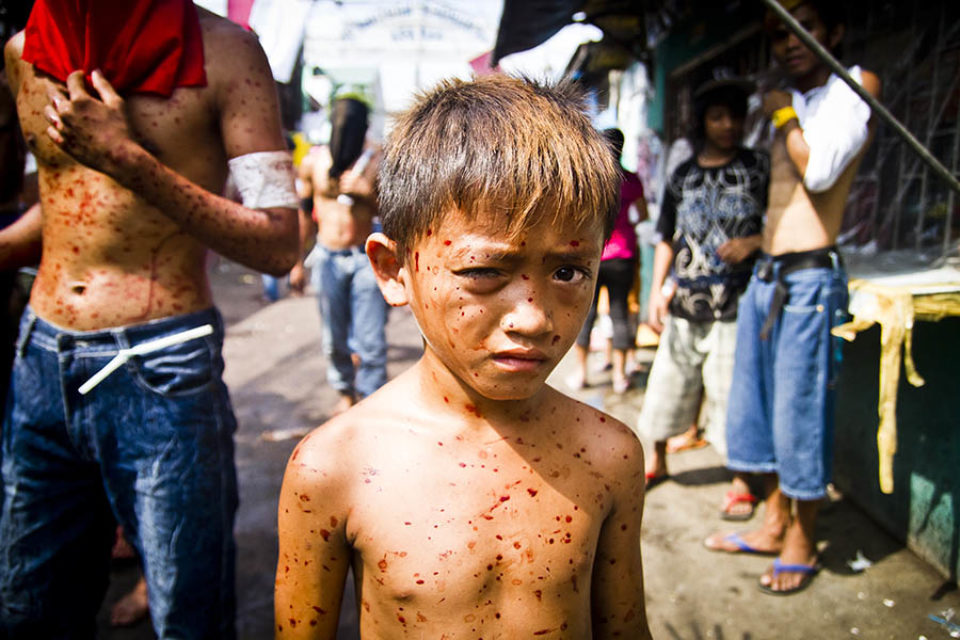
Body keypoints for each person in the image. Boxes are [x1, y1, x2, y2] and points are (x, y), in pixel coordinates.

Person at [275, 75, 652, 639]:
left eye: (568, 271)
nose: (532, 317)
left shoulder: (608, 456)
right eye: (482, 272)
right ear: (393, 271)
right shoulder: (335, 468)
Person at [0, 1, 300, 637]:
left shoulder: (228, 52)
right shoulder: (24, 53)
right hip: (40, 355)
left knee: (187, 618)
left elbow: (278, 243)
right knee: (29, 609)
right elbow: (65, 213)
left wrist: (126, 158)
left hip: (162, 362)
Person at [704, 0, 881, 595]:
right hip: (770, 275)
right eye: (778, 31)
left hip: (809, 278)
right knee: (759, 408)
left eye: (803, 23)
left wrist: (781, 112)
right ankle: (774, 522)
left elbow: (822, 170)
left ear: (833, 27)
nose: (789, 40)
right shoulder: (796, 105)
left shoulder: (854, 87)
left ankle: (803, 538)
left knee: (799, 412)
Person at [636, 78, 768, 522]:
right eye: (718, 116)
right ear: (702, 123)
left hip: (736, 301)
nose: (728, 125)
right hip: (685, 303)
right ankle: (655, 460)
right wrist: (656, 291)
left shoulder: (758, 168)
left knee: (731, 394)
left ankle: (741, 478)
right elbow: (667, 238)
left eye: (735, 116)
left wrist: (754, 242)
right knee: (668, 384)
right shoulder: (683, 175)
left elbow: (787, 221)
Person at [290, 96, 388, 415]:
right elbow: (304, 216)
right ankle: (345, 392)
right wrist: (296, 265)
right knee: (334, 339)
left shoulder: (376, 161)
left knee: (370, 339)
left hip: (365, 259)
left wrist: (366, 193)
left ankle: (370, 399)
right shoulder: (314, 164)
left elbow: (396, 212)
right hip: (328, 257)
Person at [570, 127, 646, 394]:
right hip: (624, 255)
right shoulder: (633, 180)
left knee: (586, 314)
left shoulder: (592, 180)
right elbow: (643, 215)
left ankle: (581, 374)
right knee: (620, 312)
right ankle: (620, 376)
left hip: (594, 255)